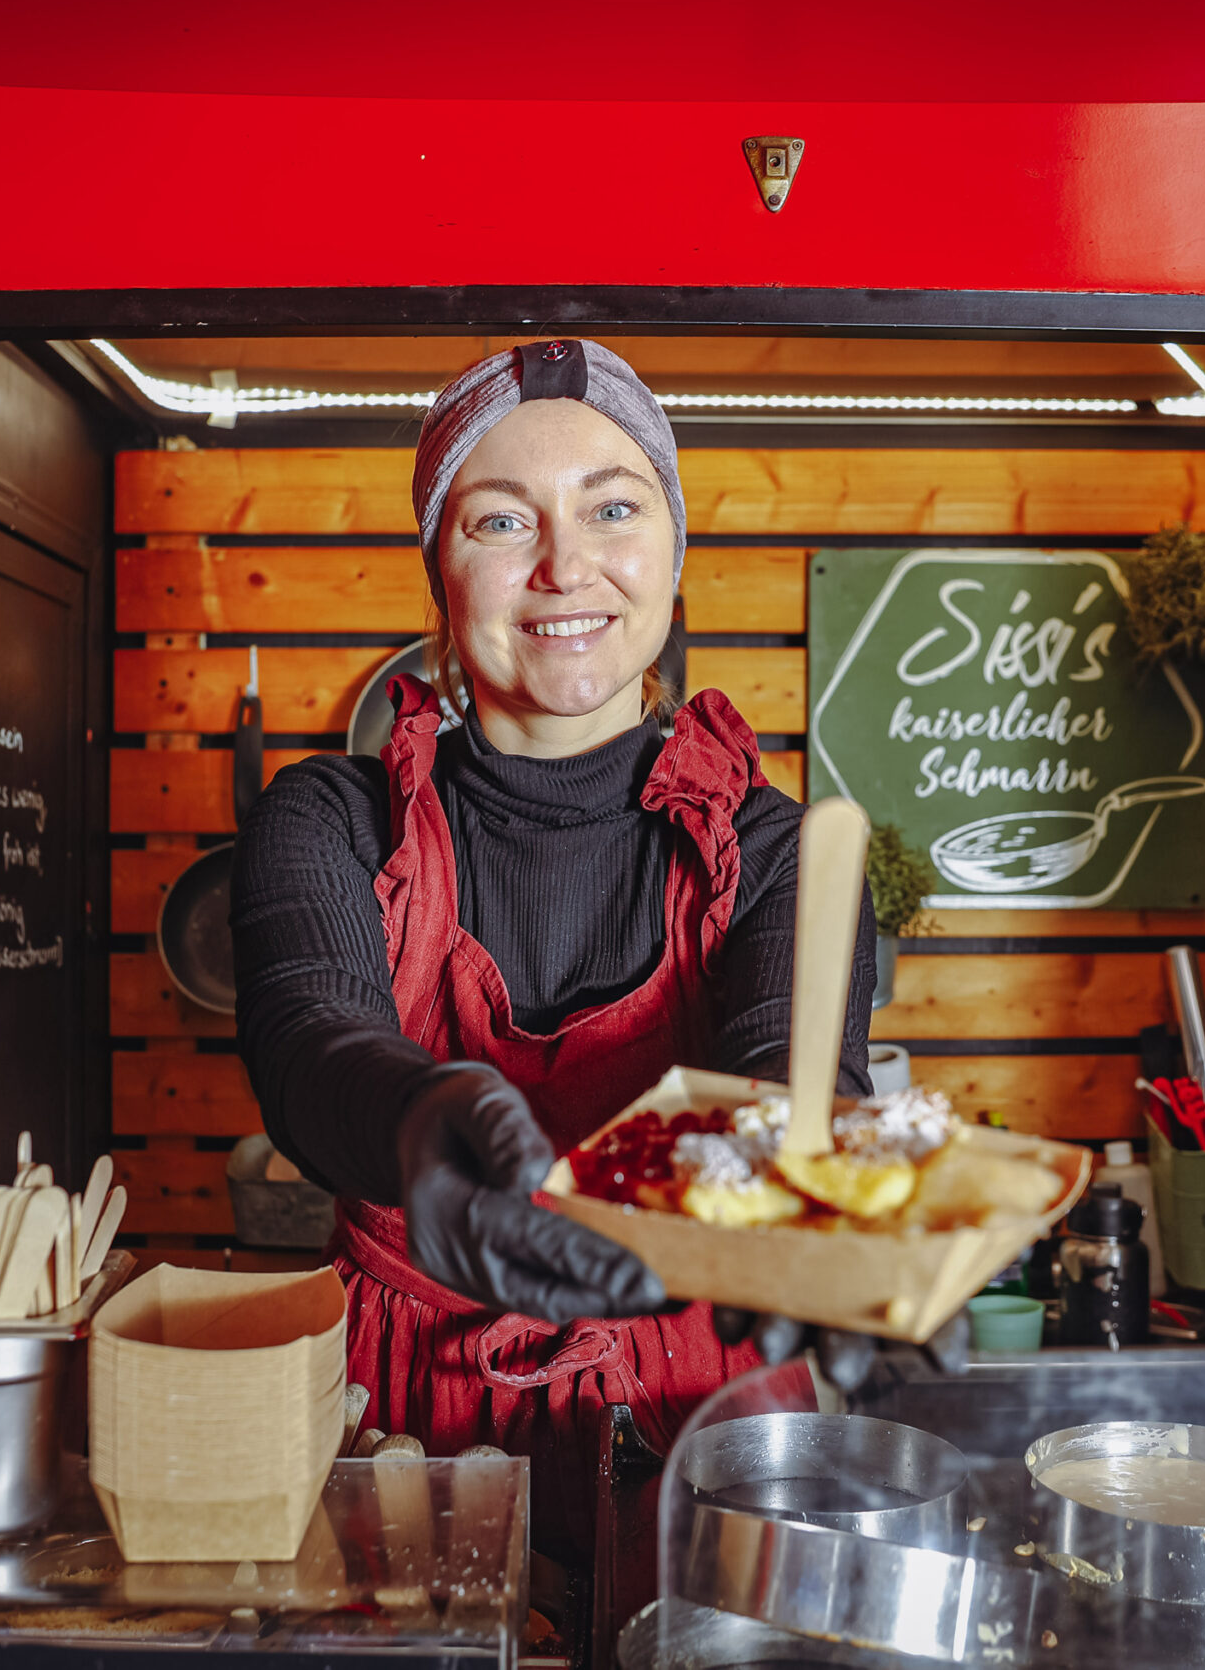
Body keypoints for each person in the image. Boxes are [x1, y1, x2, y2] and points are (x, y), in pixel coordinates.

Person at [230, 338, 873, 1552]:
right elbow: (310, 1031)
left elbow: (790, 1077)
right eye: (500, 522)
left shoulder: (778, 853)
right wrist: (418, 1120)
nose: (565, 566)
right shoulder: (331, 819)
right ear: (439, 569)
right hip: (396, 1441)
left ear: (673, 555)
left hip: (705, 1437)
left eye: (614, 508)